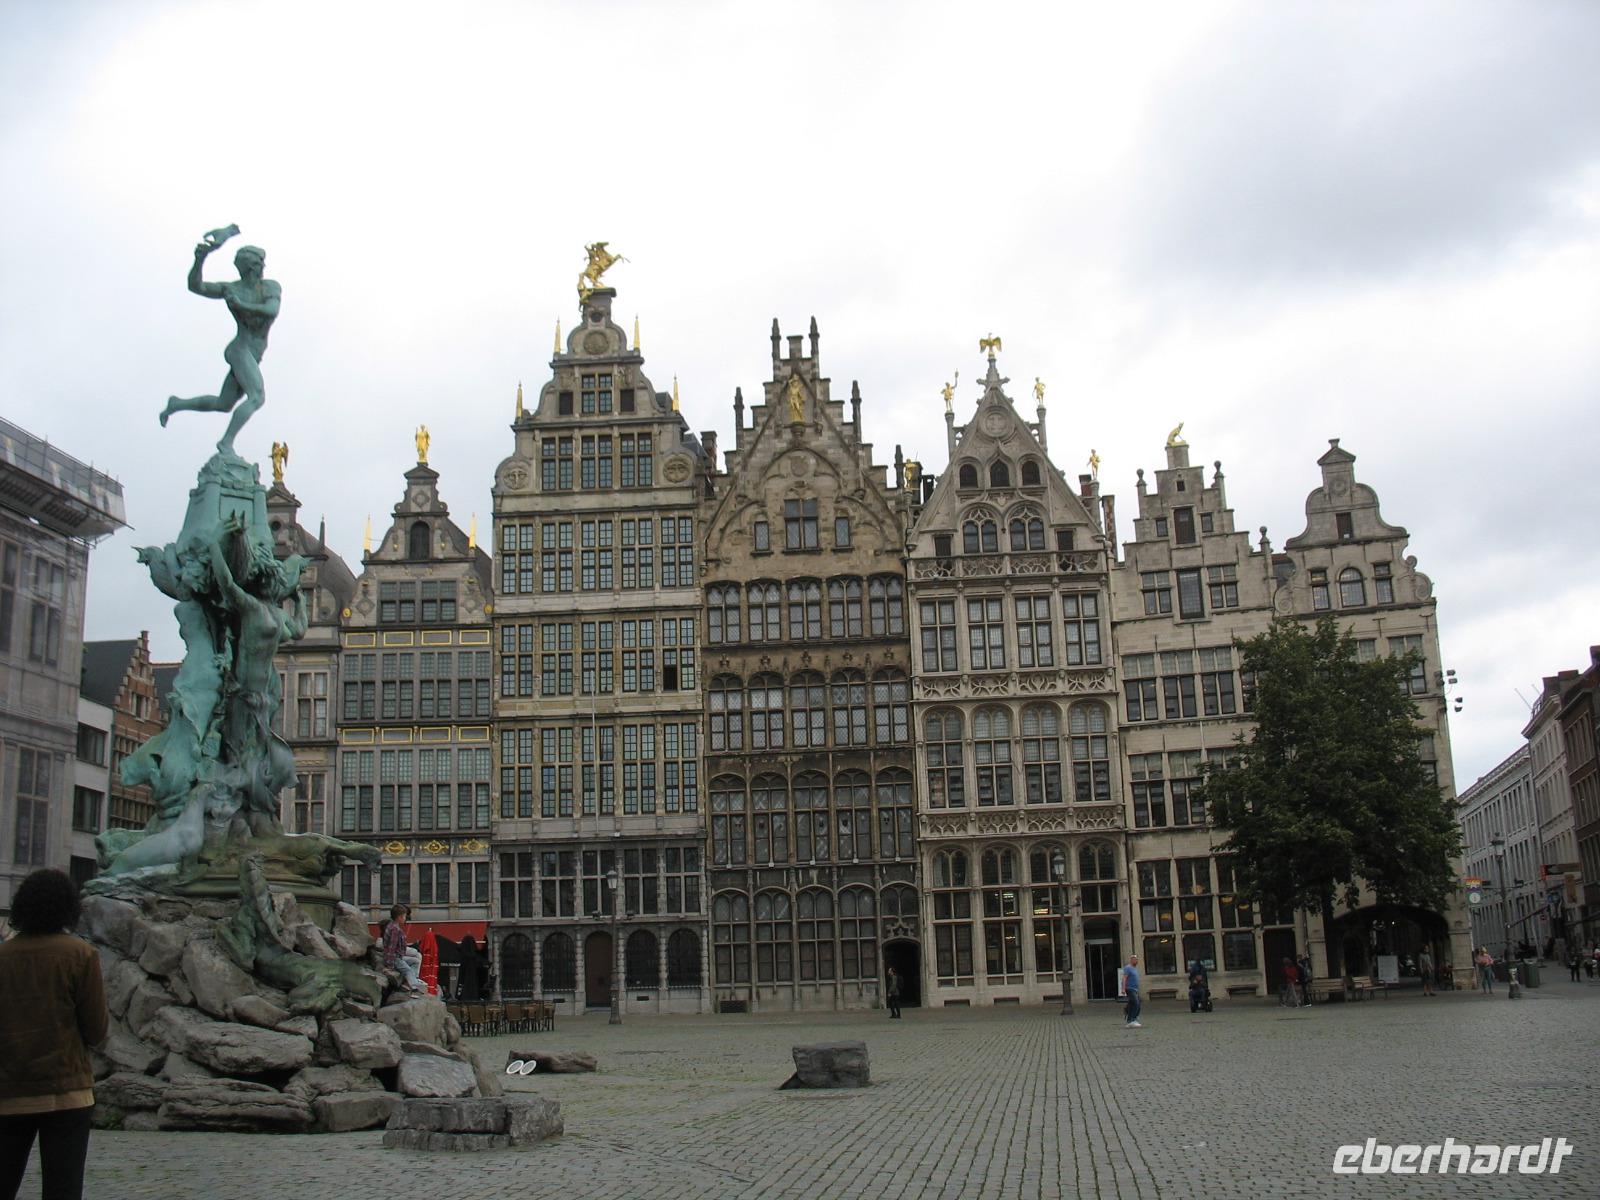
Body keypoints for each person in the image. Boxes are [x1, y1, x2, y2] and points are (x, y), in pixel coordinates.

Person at [0, 869, 109, 1200]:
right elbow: (96, 1030)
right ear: (69, 907)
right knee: (63, 1188)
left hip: (8, 1091)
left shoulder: (3, 957)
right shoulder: (80, 955)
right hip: (67, 1091)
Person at [160, 234, 281, 454]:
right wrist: (200, 259)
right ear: (252, 266)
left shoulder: (270, 287)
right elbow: (195, 286)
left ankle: (176, 404)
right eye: (259, 263)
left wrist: (242, 305)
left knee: (223, 404)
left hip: (253, 353)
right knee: (257, 396)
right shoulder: (231, 289)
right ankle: (226, 442)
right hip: (240, 349)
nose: (263, 266)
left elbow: (271, 310)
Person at [382, 905, 425, 992]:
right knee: (407, 970)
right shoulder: (395, 930)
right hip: (395, 958)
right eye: (405, 916)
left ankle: (410, 981)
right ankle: (414, 987)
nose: (405, 919)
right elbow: (391, 947)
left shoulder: (391, 926)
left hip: (399, 957)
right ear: (399, 917)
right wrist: (389, 965)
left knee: (416, 961)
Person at [1120, 954, 1142, 1027]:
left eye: (1137, 959)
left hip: (1135, 989)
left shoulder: (1134, 968)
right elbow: (1124, 978)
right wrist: (1123, 988)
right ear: (1131, 960)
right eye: (1135, 959)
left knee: (1133, 1004)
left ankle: (1130, 1018)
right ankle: (1132, 1019)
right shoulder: (1128, 968)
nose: (1136, 961)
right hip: (1130, 988)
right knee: (1136, 1003)